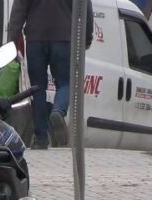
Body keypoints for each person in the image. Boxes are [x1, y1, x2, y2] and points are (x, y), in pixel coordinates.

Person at [8, 0, 93, 149]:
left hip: (35, 39)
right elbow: (86, 9)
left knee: (37, 88)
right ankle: (58, 111)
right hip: (64, 38)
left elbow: (18, 10)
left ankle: (41, 138)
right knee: (67, 82)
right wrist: (86, 38)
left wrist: (12, 38)